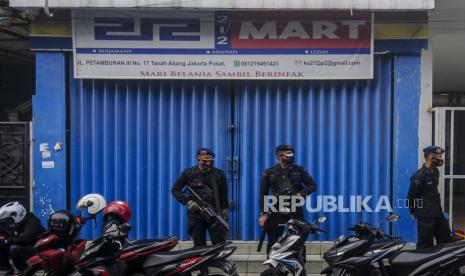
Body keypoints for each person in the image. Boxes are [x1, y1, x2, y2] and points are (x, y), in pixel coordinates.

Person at [258, 144, 317, 255]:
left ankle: (300, 269)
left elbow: (312, 185)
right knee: (273, 241)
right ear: (279, 155)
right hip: (276, 210)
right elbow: (263, 194)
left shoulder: (299, 170)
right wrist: (263, 214)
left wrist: (300, 194)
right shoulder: (269, 172)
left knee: (298, 240)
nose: (291, 156)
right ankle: (273, 269)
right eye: (288, 154)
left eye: (292, 153)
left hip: (295, 209)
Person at [172, 148, 229, 247]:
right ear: (198, 159)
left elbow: (224, 195)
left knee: (219, 245)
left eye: (209, 159)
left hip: (214, 214)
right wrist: (188, 202)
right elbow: (175, 190)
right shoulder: (189, 173)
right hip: (196, 215)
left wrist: (224, 214)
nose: (206, 162)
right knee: (199, 246)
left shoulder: (219, 174)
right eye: (203, 159)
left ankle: (219, 263)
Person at [407, 145, 452, 249]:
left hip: (437, 213)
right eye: (439, 156)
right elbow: (411, 196)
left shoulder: (435, 171)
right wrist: (413, 211)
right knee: (425, 245)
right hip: (426, 216)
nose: (441, 159)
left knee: (446, 240)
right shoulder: (419, 176)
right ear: (431, 157)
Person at [0, 202, 45, 272]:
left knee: (14, 248)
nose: (9, 221)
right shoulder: (21, 222)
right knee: (2, 245)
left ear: (17, 215)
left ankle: (25, 271)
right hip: (28, 247)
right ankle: (7, 271)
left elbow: (25, 239)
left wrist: (7, 240)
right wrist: (4, 239)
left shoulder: (32, 222)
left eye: (10, 219)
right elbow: (14, 236)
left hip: (39, 250)